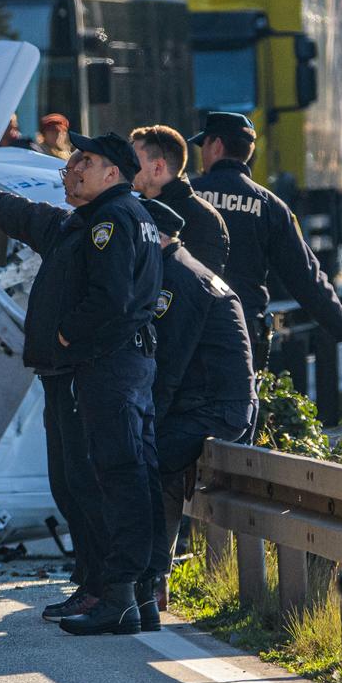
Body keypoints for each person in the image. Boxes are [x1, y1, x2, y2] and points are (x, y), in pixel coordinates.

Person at [0, 131, 162, 636]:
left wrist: (64, 335)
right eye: (73, 158)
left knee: (107, 478)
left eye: (86, 160)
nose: (73, 165)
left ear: (112, 174)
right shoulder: (83, 222)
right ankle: (109, 588)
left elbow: (112, 301)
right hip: (83, 372)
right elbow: (28, 217)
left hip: (99, 370)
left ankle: (121, 593)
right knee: (77, 481)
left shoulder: (114, 220)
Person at [188, 112, 342, 373]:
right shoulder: (271, 207)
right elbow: (304, 275)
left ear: (217, 146)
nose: (201, 154)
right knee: (240, 410)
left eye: (204, 145)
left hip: (189, 331)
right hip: (243, 331)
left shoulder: (186, 195)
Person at [138, 198, 254, 595]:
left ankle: (149, 578)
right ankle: (153, 578)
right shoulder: (177, 269)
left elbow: (169, 363)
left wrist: (147, 423)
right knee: (153, 461)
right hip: (207, 403)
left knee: (143, 464)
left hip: (215, 409)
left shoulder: (179, 281)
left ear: (154, 235)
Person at [130, 125, 229, 274]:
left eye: (134, 160)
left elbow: (201, 284)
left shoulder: (202, 219)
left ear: (158, 167)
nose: (127, 166)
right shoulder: (134, 210)